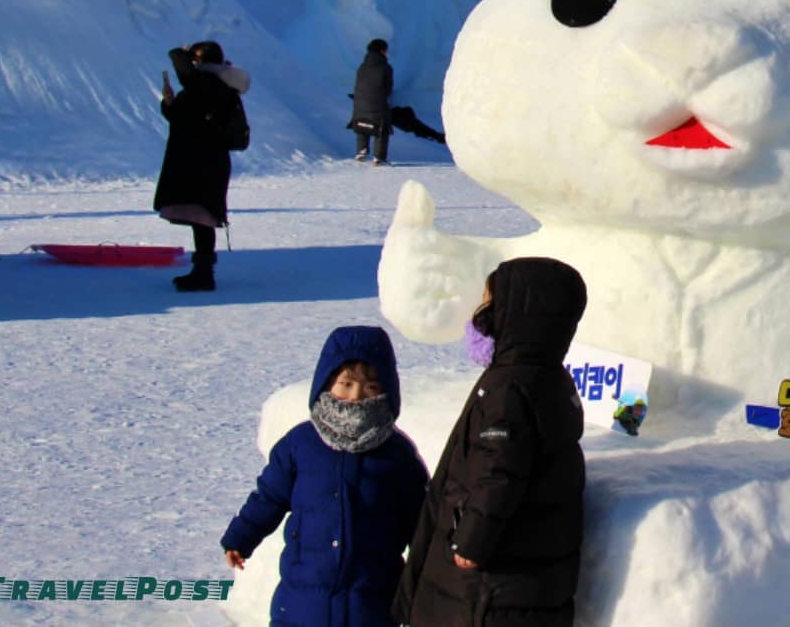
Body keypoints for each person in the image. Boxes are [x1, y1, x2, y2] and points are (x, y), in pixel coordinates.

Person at [397, 259, 589, 627]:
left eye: (489, 302)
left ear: (516, 314)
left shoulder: (508, 387)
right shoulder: (546, 377)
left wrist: (471, 540)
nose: (479, 313)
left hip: (489, 587)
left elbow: (501, 470)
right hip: (522, 580)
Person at [221, 326, 429, 627]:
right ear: (326, 382)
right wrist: (240, 538)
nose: (355, 397)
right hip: (303, 603)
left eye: (370, 387)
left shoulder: (396, 455)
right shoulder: (300, 445)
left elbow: (421, 522)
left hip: (371, 605)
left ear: (386, 390)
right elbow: (269, 497)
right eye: (345, 384)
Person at [155, 41, 251, 292]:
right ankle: (202, 270)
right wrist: (170, 104)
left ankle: (203, 273)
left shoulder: (206, 84)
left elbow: (184, 78)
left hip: (200, 161)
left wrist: (180, 53)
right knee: (203, 217)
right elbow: (183, 117)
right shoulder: (217, 86)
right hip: (209, 160)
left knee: (202, 217)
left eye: (195, 60)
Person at [350, 38, 393, 165]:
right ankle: (379, 158)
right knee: (382, 128)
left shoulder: (362, 66)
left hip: (359, 104)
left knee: (363, 124)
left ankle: (361, 151)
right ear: (382, 51)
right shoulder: (385, 67)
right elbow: (388, 88)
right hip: (377, 104)